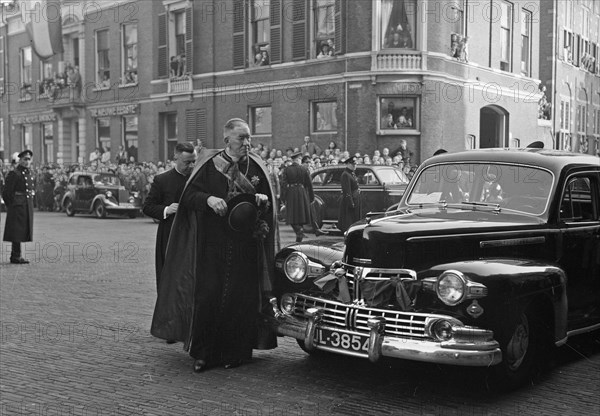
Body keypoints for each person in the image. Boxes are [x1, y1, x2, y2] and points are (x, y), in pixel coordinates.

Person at [151, 118, 279, 372]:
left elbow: (268, 208)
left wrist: (263, 202)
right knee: (208, 297)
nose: (247, 143)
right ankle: (204, 354)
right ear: (227, 140)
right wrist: (208, 199)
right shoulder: (209, 165)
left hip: (244, 246)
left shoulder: (257, 166)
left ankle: (237, 353)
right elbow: (188, 196)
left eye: (249, 138)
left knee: (240, 301)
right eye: (241, 138)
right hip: (212, 244)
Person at [143, 142, 196, 291]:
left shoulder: (199, 179)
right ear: (176, 158)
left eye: (194, 161)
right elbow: (147, 207)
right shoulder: (162, 180)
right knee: (170, 279)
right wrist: (167, 209)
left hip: (194, 234)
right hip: (170, 235)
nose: (191, 166)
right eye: (187, 162)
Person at [2, 150, 35, 264]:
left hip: (25, 205)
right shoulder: (14, 173)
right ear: (20, 160)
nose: (27, 162)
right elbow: (6, 192)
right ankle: (16, 256)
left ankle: (15, 255)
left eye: (29, 159)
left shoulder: (28, 173)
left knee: (21, 231)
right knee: (17, 231)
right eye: (25, 159)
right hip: (17, 206)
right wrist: (11, 205)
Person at [281, 151, 314, 242]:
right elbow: (309, 184)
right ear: (298, 159)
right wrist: (311, 197)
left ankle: (298, 232)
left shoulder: (287, 169)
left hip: (291, 192)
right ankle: (299, 233)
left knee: (292, 214)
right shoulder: (304, 169)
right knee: (301, 214)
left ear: (293, 160)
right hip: (302, 192)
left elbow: (283, 185)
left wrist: (283, 197)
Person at [338, 156, 360, 233]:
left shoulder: (351, 173)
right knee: (348, 221)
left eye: (355, 164)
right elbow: (347, 191)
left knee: (354, 220)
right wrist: (351, 203)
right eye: (353, 164)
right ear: (348, 164)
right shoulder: (345, 174)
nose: (355, 166)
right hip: (349, 201)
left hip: (354, 199)